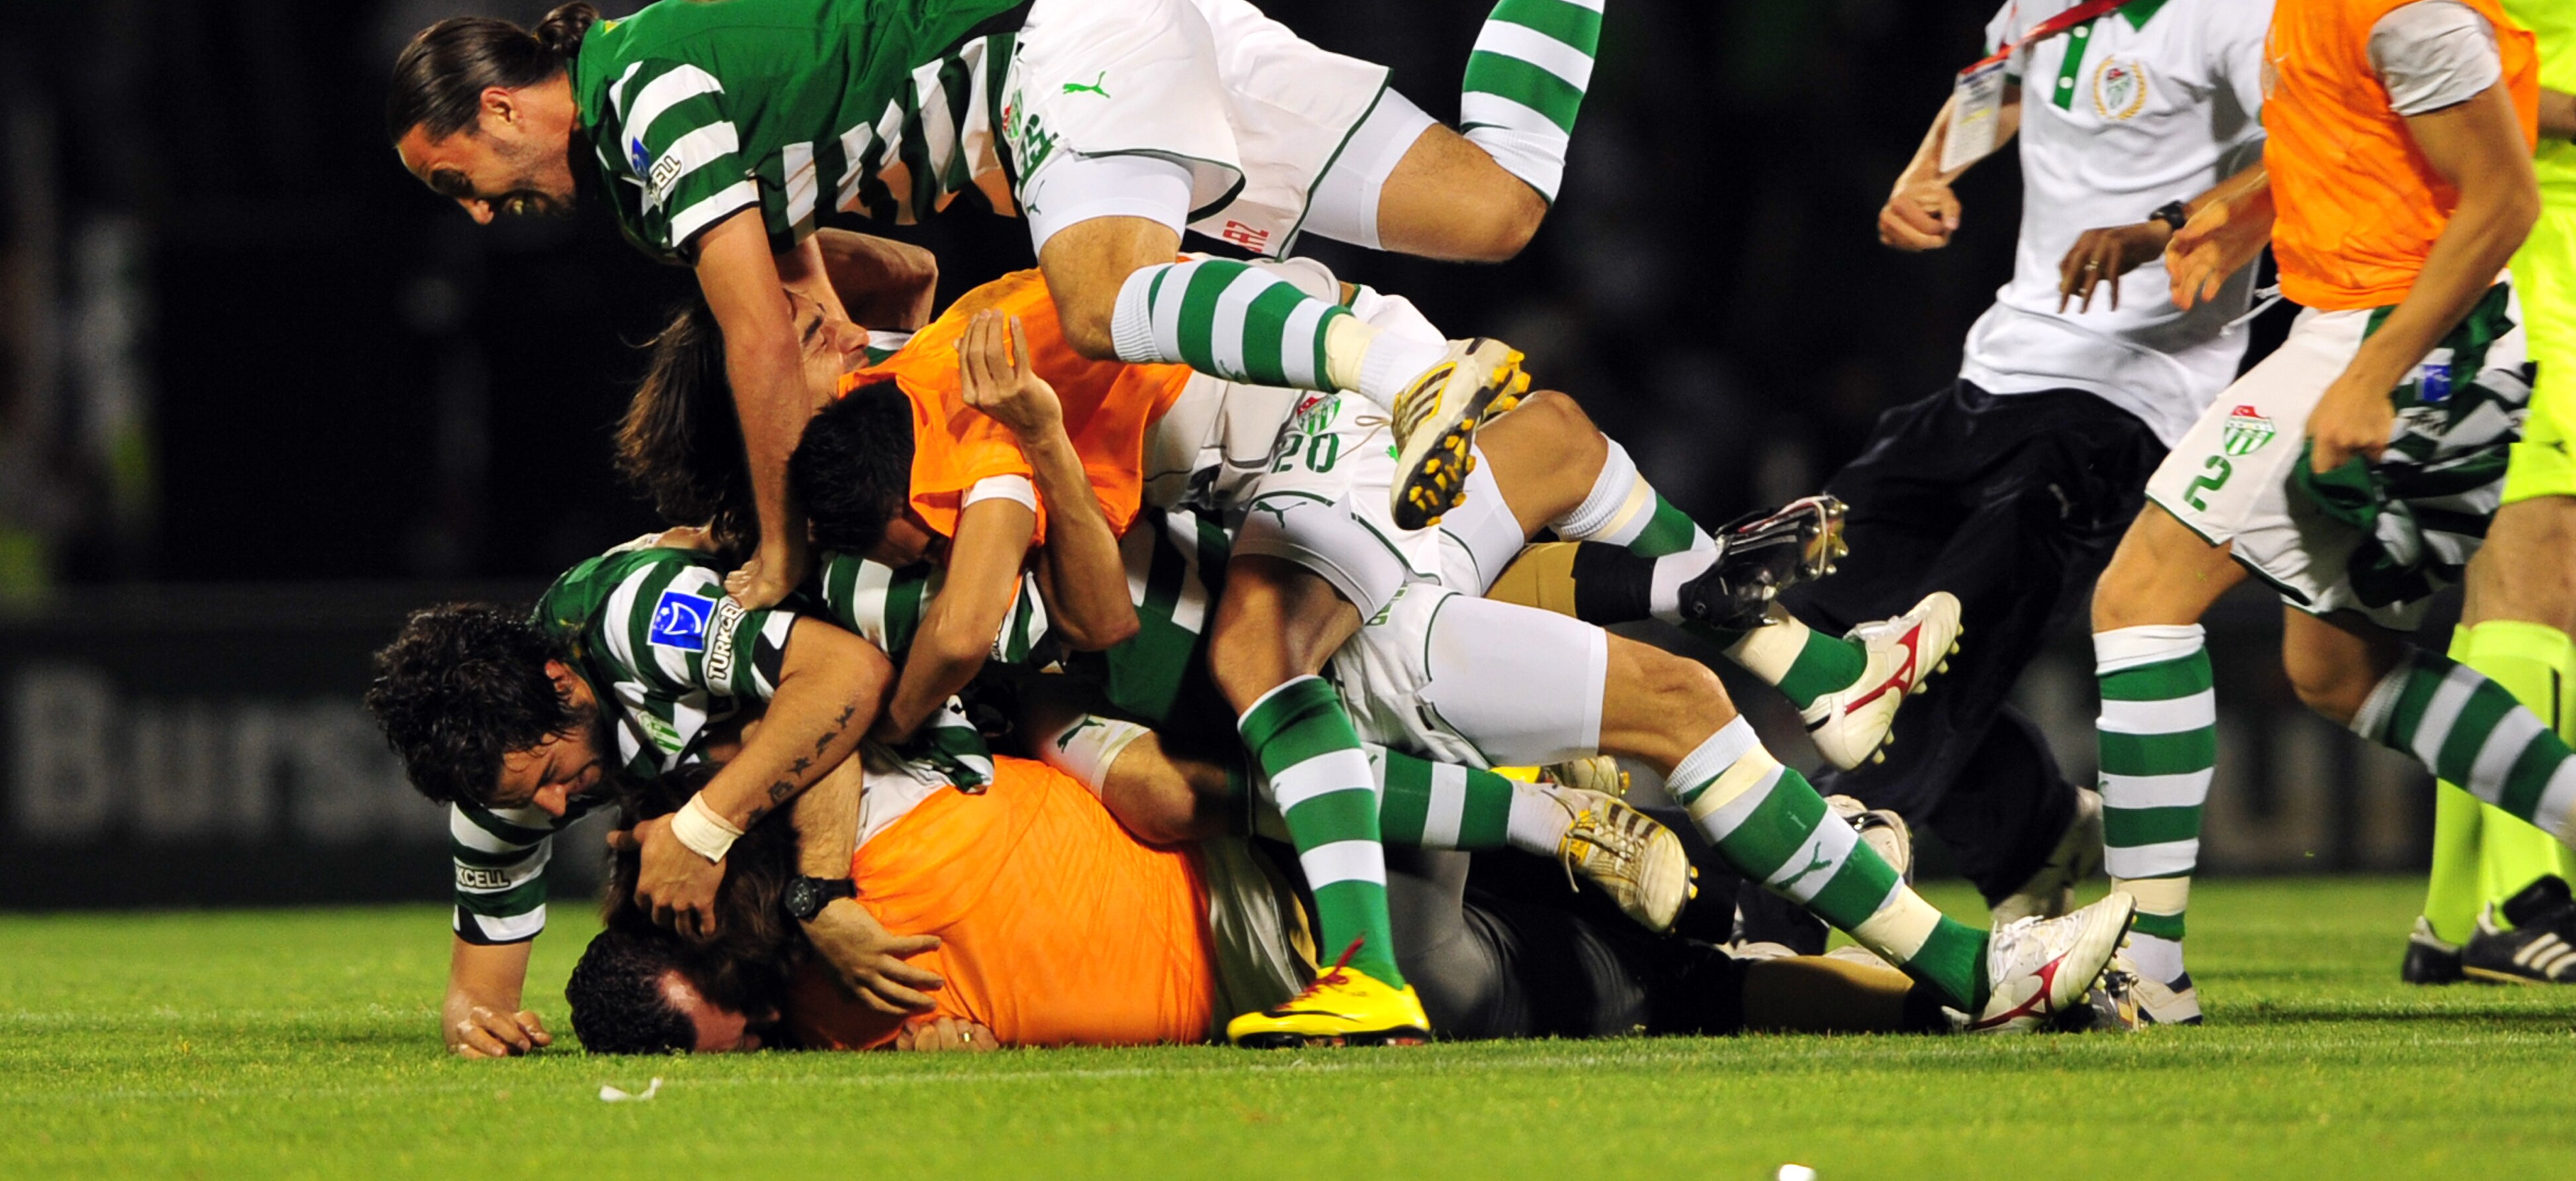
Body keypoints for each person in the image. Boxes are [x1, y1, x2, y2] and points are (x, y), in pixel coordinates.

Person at [386, 0, 1782, 1045]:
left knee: (1112, 297)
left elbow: (757, 347)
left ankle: (1416, 384)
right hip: (1107, 27)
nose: (478, 212)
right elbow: (831, 283)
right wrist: (819, 284)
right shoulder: (675, 98)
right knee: (1492, 209)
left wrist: (776, 551)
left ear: (504, 109)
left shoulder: (635, 111)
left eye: (458, 178)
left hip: (1051, 45)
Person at [792, 284, 2135, 1037]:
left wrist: (848, 329)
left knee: (1549, 435)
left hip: (1356, 566)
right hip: (1357, 671)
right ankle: (1924, 942)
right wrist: (1539, 819)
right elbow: (1113, 713)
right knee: (1634, 761)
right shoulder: (1030, 657)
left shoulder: (1014, 470)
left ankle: (1771, 644)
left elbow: (893, 313)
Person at [2088, 0, 2576, 1026]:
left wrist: (2370, 371)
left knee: (2138, 599)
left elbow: (2493, 201)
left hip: (2398, 336)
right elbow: (2349, 126)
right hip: (2377, 318)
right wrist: (2240, 208)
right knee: (2336, 665)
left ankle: (2149, 971)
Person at [1771, 0, 2279, 923]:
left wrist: (2167, 231)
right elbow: (1994, 79)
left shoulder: (2239, 9)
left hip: (2138, 383)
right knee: (1809, 574)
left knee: (1962, 600)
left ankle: (1859, 823)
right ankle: (2036, 831)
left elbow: (2298, 156)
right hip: (2002, 358)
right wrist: (1925, 173)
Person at [564, 758, 1978, 1052]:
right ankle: (1843, 900)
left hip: (1298, 929)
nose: (756, 1046)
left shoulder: (840, 931)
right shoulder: (850, 868)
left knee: (1674, 984)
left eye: (727, 1029)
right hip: (1299, 930)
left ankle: (1844, 914)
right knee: (1670, 980)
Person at [362, 555, 902, 1058]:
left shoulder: (641, 617)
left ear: (561, 682)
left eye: (551, 775)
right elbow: (475, 993)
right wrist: (477, 1025)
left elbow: (851, 674)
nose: (552, 808)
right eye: (526, 798)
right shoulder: (506, 785)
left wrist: (701, 831)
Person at [2408, 0, 2576, 985]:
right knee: (2536, 562)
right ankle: (2526, 893)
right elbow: (2449, 72)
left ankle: (2452, 907)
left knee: (2527, 596)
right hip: (2519, 251)